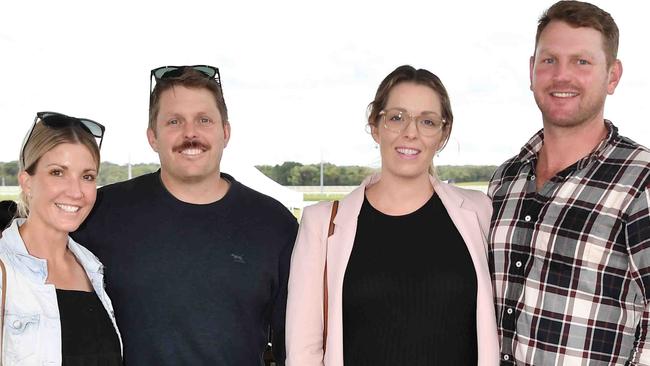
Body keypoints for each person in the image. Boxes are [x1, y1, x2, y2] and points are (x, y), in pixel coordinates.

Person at [72, 65, 298, 365]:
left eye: (204, 120)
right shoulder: (100, 213)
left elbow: (293, 345)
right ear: (153, 136)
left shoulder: (274, 224)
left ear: (225, 132)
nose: (190, 133)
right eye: (174, 121)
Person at [286, 65, 499, 366]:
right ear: (375, 126)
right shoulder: (322, 224)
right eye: (397, 118)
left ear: (443, 133)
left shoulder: (479, 213)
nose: (410, 132)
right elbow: (302, 353)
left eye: (427, 121)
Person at [488, 1, 650, 364]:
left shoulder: (642, 180)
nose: (562, 76)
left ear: (613, 76)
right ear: (532, 70)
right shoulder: (505, 180)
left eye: (582, 62)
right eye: (549, 60)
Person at [0, 112, 121, 365]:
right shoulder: (4, 272)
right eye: (57, 172)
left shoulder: (92, 268)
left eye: (87, 176)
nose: (76, 192)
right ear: (27, 182)